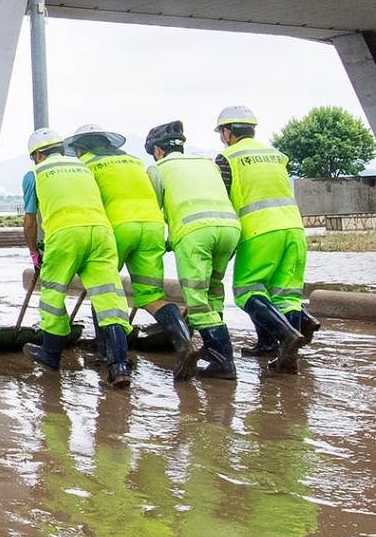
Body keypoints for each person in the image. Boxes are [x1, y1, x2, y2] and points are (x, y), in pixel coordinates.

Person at [66, 124, 197, 377]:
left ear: (82, 149)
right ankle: (183, 342)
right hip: (152, 228)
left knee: (103, 289)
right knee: (150, 295)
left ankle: (107, 352)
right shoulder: (134, 162)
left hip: (116, 228)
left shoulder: (86, 167)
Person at [22, 128, 133, 388]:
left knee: (52, 294)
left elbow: (30, 223)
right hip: (102, 234)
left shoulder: (35, 174)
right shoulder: (84, 168)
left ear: (38, 154)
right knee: (109, 299)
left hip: (65, 236)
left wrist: (35, 254)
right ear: (60, 149)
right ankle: (118, 366)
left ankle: (50, 355)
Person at [215, 105, 313, 374]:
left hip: (259, 231)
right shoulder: (277, 155)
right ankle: (278, 349)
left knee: (247, 290)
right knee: (287, 295)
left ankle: (285, 337)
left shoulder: (226, 158)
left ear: (227, 132)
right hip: (294, 229)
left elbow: (222, 201)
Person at [144, 121, 242, 380]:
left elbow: (154, 212)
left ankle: (224, 362)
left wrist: (164, 242)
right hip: (230, 229)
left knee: (196, 302)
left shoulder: (157, 168)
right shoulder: (206, 163)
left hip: (194, 234)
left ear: (157, 150)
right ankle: (213, 350)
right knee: (214, 290)